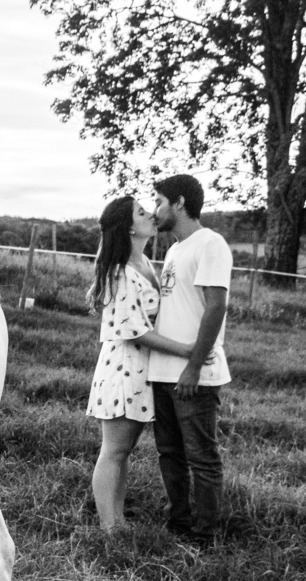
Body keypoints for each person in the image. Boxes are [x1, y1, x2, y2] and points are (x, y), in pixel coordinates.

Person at [86, 195, 205, 532]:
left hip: (142, 371)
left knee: (123, 451)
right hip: (123, 369)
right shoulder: (122, 272)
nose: (151, 215)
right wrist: (187, 350)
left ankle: (118, 520)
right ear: (129, 228)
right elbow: (135, 331)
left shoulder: (144, 263)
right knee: (114, 450)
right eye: (142, 212)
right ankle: (109, 526)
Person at [149, 174, 232, 546]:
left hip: (194, 374)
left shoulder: (210, 244)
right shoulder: (174, 250)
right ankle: (178, 521)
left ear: (179, 202)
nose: (155, 210)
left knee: (201, 456)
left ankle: (205, 532)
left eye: (159, 202)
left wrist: (194, 366)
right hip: (163, 369)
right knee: (170, 452)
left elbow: (216, 307)